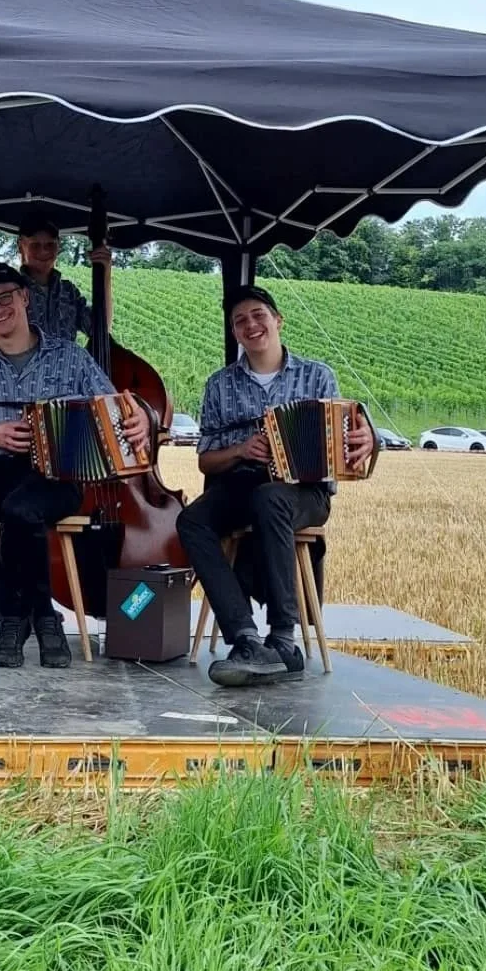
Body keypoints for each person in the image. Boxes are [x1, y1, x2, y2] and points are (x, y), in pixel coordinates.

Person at [0, 261, 152, 669]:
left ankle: (21, 618)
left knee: (21, 510)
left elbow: (115, 408)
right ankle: (26, 611)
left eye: (5, 297)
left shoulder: (69, 356)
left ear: (24, 298)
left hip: (57, 472)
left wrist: (140, 415)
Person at [176, 284, 376, 687]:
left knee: (271, 498)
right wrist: (240, 450)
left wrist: (368, 437)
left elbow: (349, 432)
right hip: (243, 481)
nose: (250, 325)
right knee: (191, 521)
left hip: (305, 491)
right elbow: (205, 459)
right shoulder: (220, 385)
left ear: (277, 320)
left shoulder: (317, 375)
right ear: (234, 332)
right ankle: (246, 638)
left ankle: (283, 638)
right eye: (240, 321)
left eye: (258, 315)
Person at [15, 209, 112, 341]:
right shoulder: (11, 290)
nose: (43, 251)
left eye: (50, 245)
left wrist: (105, 272)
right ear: (21, 246)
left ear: (59, 246)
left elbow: (100, 329)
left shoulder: (68, 292)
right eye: (35, 246)